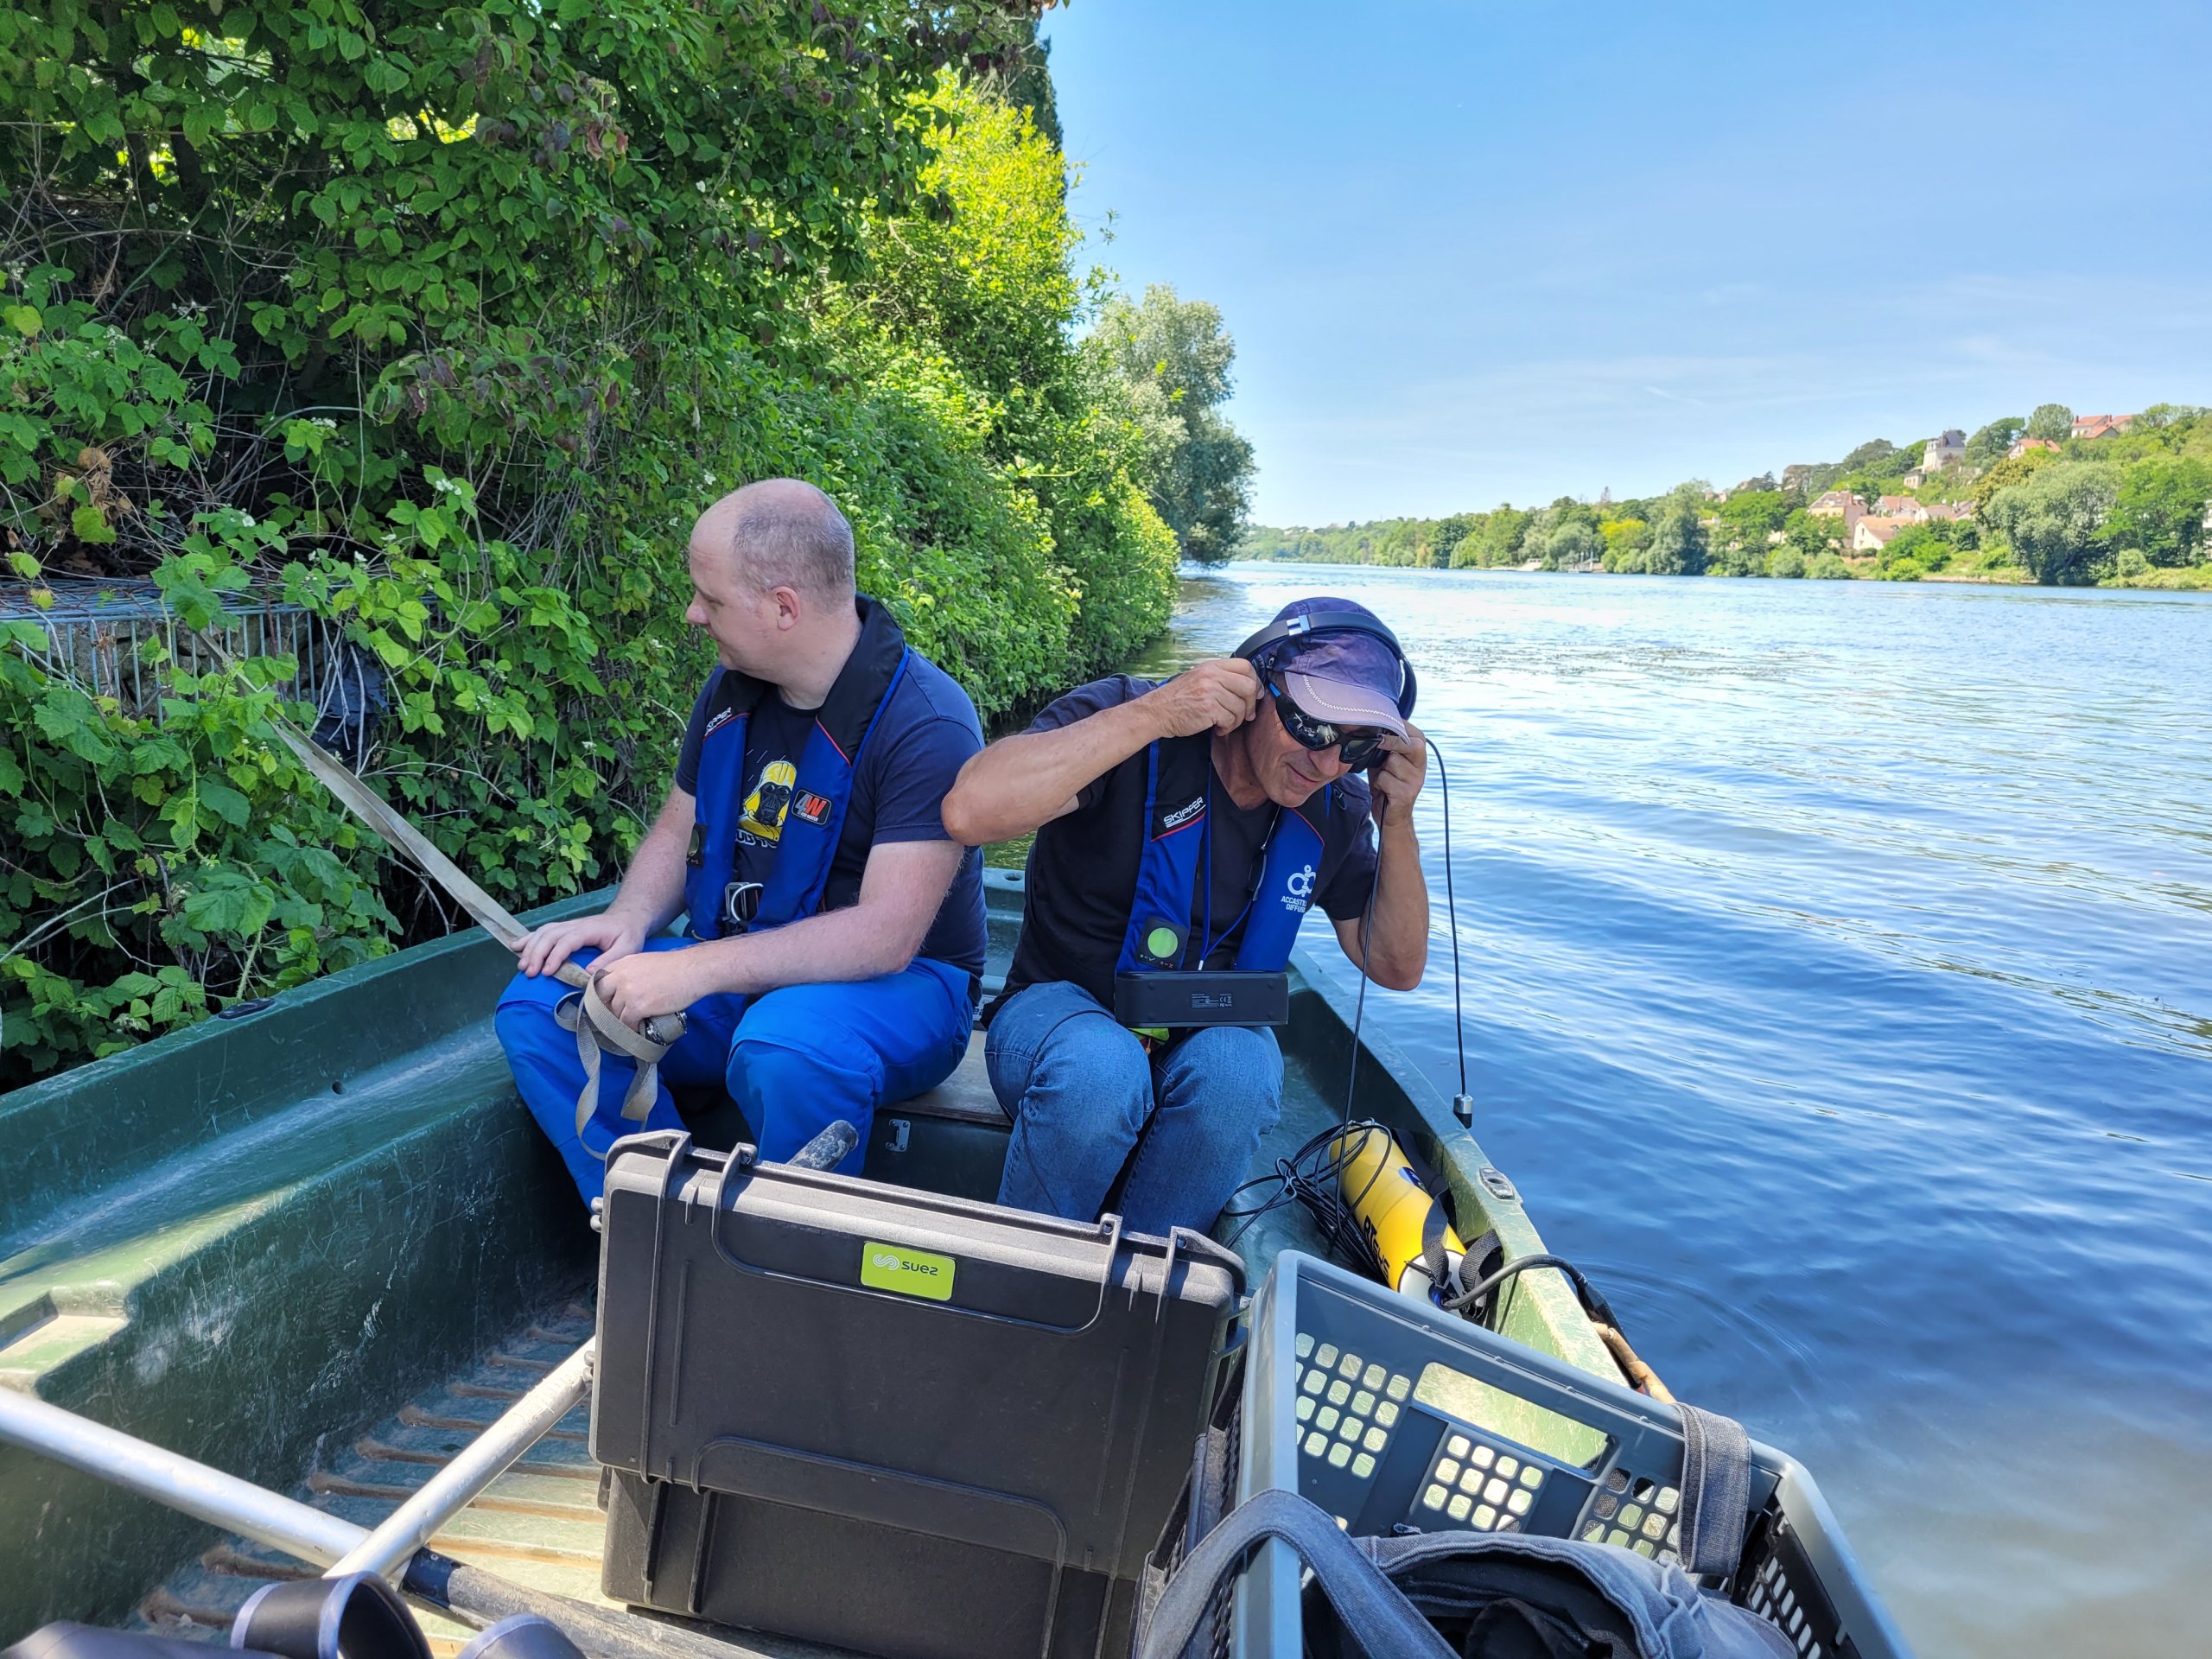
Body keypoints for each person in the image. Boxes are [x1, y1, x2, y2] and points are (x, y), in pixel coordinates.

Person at [496, 480, 986, 1203]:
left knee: (788, 1044)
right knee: (545, 1005)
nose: (694, 615)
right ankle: (658, 1218)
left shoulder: (929, 723)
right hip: (739, 960)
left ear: (783, 607)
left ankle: (784, 1261)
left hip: (900, 988)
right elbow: (677, 824)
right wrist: (628, 920)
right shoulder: (732, 687)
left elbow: (887, 936)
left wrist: (694, 973)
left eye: (711, 599)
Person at [941, 597, 1430, 1238]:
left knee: (1243, 1070)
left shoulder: (1336, 805)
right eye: (1312, 727)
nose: (1328, 762)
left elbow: (1394, 966)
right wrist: (1155, 713)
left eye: (1358, 744)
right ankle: (1027, 1284)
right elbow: (969, 811)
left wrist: (1397, 821)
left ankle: (1145, 1304)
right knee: (1100, 1069)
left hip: (1201, 1045)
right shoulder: (1131, 718)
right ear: (1255, 692)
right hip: (1057, 1023)